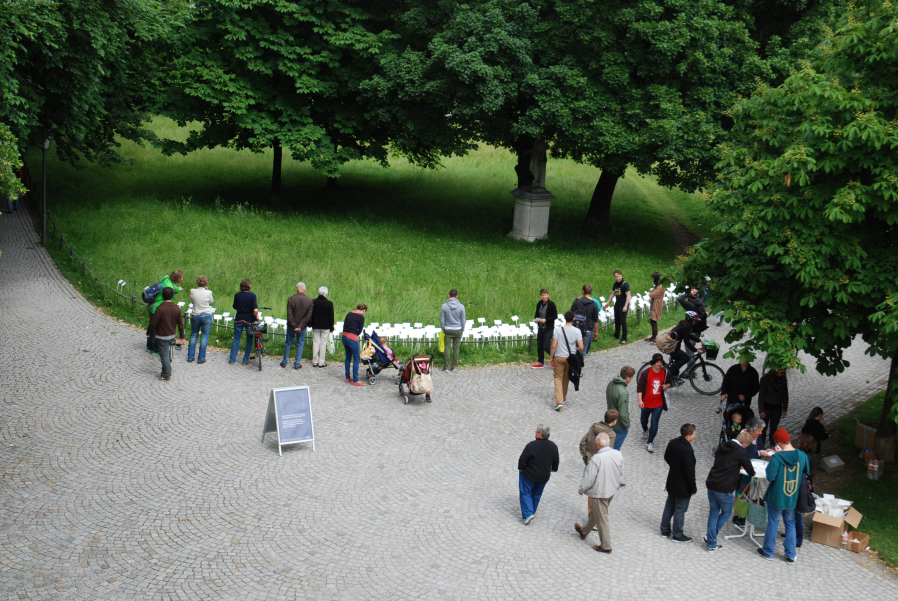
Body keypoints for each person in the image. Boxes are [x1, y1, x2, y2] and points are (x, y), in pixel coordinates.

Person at [759, 429, 809, 564]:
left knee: (773, 522)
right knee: (790, 523)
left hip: (777, 496)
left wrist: (777, 455)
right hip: (793, 496)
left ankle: (768, 551)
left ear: (779, 442)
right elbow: (806, 471)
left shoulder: (777, 457)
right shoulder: (802, 455)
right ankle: (791, 555)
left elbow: (771, 476)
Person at [705, 430, 755, 551]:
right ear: (744, 444)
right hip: (724, 488)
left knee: (713, 514)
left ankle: (710, 539)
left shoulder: (723, 446)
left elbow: (725, 461)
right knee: (727, 513)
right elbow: (751, 471)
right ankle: (711, 540)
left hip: (712, 483)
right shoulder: (740, 452)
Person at [574, 432, 624, 554]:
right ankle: (584, 531)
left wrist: (582, 489)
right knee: (598, 513)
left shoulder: (597, 459)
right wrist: (620, 483)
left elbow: (589, 477)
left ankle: (606, 546)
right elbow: (621, 471)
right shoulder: (618, 454)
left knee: (602, 518)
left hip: (600, 492)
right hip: (612, 490)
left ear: (597, 444)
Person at [660, 424, 698, 542]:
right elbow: (690, 472)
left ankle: (664, 530)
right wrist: (693, 488)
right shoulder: (687, 450)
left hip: (672, 481)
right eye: (694, 434)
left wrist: (675, 466)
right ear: (688, 436)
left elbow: (666, 457)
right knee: (680, 509)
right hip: (683, 486)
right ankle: (677, 534)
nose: (695, 435)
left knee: (669, 506)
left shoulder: (673, 443)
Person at [517, 425, 559, 524]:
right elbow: (556, 461)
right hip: (544, 476)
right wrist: (553, 469)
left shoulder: (532, 445)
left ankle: (528, 513)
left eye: (536, 432)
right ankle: (531, 510)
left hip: (530, 474)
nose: (535, 433)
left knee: (525, 492)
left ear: (540, 434)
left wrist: (521, 468)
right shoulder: (553, 446)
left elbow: (523, 459)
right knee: (536, 494)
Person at [146, 287, 186, 381]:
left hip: (161, 336)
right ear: (172, 296)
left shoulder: (160, 309)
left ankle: (167, 374)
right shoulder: (177, 308)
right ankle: (163, 372)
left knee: (163, 355)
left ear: (162, 296)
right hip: (171, 335)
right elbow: (180, 324)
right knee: (166, 354)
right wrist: (182, 336)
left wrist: (149, 332)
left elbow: (153, 323)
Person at [636, 353, 672, 452]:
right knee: (643, 420)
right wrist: (640, 400)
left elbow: (670, 382)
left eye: (661, 362)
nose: (659, 364)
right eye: (657, 362)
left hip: (658, 403)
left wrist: (666, 386)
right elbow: (639, 388)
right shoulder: (645, 373)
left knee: (655, 422)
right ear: (653, 363)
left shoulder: (666, 373)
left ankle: (650, 442)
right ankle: (645, 430)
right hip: (646, 402)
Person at [549, 311, 584, 411]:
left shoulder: (558, 330)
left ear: (564, 318)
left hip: (559, 357)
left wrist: (551, 357)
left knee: (557, 378)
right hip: (570, 358)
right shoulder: (577, 331)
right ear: (573, 319)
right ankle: (563, 398)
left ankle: (559, 401)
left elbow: (553, 345)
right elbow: (581, 347)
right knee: (566, 378)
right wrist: (574, 349)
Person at [147, 270, 184, 353]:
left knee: (152, 327)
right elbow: (171, 290)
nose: (182, 279)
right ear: (177, 278)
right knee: (156, 329)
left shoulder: (166, 277)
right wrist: (177, 290)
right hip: (158, 307)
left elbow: (173, 288)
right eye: (181, 278)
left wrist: (178, 289)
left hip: (153, 305)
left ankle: (149, 346)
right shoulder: (169, 287)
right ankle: (155, 349)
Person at [282, 282, 313, 370]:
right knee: (300, 344)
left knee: (288, 343)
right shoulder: (309, 300)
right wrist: (301, 326)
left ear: (296, 289)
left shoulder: (291, 299)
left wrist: (294, 325)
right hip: (302, 327)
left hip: (291, 326)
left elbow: (289, 314)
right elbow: (308, 316)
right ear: (304, 289)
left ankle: (284, 361)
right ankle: (297, 363)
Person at [229, 279, 260, 365]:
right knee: (249, 340)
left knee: (236, 339)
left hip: (239, 318)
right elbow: (255, 309)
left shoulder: (237, 295)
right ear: (249, 286)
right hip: (249, 319)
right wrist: (256, 316)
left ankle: (232, 359)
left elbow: (234, 306)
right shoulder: (253, 296)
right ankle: (245, 360)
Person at [666, 311, 703, 380]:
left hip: (673, 346)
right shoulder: (685, 327)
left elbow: (690, 335)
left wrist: (699, 340)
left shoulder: (684, 325)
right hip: (672, 348)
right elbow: (687, 342)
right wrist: (696, 350)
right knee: (686, 358)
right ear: (690, 320)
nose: (695, 322)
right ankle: (669, 371)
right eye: (695, 321)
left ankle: (673, 378)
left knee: (678, 361)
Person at [758, 369, 789, 450]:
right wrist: (761, 410)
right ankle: (761, 445)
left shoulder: (783, 380)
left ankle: (772, 444)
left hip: (777, 408)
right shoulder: (765, 379)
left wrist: (785, 408)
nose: (782, 372)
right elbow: (761, 395)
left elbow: (785, 395)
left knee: (774, 428)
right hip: (766, 408)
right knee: (763, 428)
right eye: (781, 370)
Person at [606, 366, 635, 450]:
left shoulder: (611, 383)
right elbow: (623, 413)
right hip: (619, 426)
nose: (632, 379)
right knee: (615, 449)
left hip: (609, 420)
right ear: (627, 377)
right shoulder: (623, 392)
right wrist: (627, 425)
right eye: (631, 377)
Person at [187, 275, 214, 364]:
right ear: (206, 283)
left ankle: (190, 357)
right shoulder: (209, 292)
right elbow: (211, 301)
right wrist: (206, 290)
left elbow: (192, 301)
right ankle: (201, 358)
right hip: (206, 314)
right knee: (204, 336)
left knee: (194, 335)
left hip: (196, 314)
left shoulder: (193, 291)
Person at [440, 289, 466, 372]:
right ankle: (454, 366)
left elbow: (442, 320)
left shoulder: (444, 306)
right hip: (458, 329)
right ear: (457, 296)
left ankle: (446, 366)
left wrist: (443, 328)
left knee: (447, 348)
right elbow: (463, 320)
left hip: (448, 328)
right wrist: (463, 328)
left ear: (449, 295)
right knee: (456, 348)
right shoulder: (461, 306)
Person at [531, 289, 558, 369]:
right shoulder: (539, 304)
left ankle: (555, 359)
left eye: (545, 295)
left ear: (548, 295)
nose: (544, 297)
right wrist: (537, 320)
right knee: (539, 345)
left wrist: (546, 320)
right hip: (540, 327)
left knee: (545, 345)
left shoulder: (552, 304)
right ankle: (540, 362)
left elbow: (555, 316)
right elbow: (536, 314)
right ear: (541, 296)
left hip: (548, 328)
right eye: (543, 295)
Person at [342, 303, 367, 386]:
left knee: (348, 357)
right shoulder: (361, 317)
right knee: (356, 358)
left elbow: (344, 325)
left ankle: (347, 377)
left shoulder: (349, 314)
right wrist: (355, 334)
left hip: (344, 336)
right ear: (364, 310)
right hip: (352, 338)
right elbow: (360, 329)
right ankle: (355, 380)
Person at [310, 286, 335, 368]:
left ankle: (315, 361)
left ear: (318, 293)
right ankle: (321, 362)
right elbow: (331, 317)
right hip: (326, 326)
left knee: (315, 343)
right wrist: (331, 328)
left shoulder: (314, 302)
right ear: (326, 294)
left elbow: (311, 314)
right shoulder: (329, 303)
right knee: (323, 344)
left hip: (316, 325)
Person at [571, 285, 599, 355]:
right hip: (588, 328)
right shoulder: (594, 304)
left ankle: (573, 364)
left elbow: (571, 314)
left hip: (576, 327)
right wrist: (596, 332)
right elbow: (595, 320)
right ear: (591, 292)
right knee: (583, 349)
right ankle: (579, 364)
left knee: (574, 348)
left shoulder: (577, 301)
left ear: (583, 291)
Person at [605, 270, 630, 344]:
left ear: (621, 276)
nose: (617, 278)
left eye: (619, 276)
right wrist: (608, 302)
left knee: (623, 322)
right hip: (617, 305)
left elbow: (628, 295)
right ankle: (617, 335)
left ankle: (624, 338)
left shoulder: (624, 284)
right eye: (616, 277)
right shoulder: (615, 284)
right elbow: (613, 294)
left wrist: (625, 306)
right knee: (617, 321)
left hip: (623, 305)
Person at [646, 272, 664, 344]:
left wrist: (651, 293)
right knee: (652, 321)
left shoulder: (660, 287)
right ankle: (653, 337)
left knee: (653, 321)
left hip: (656, 305)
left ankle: (655, 338)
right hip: (653, 304)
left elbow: (652, 294)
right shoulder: (657, 286)